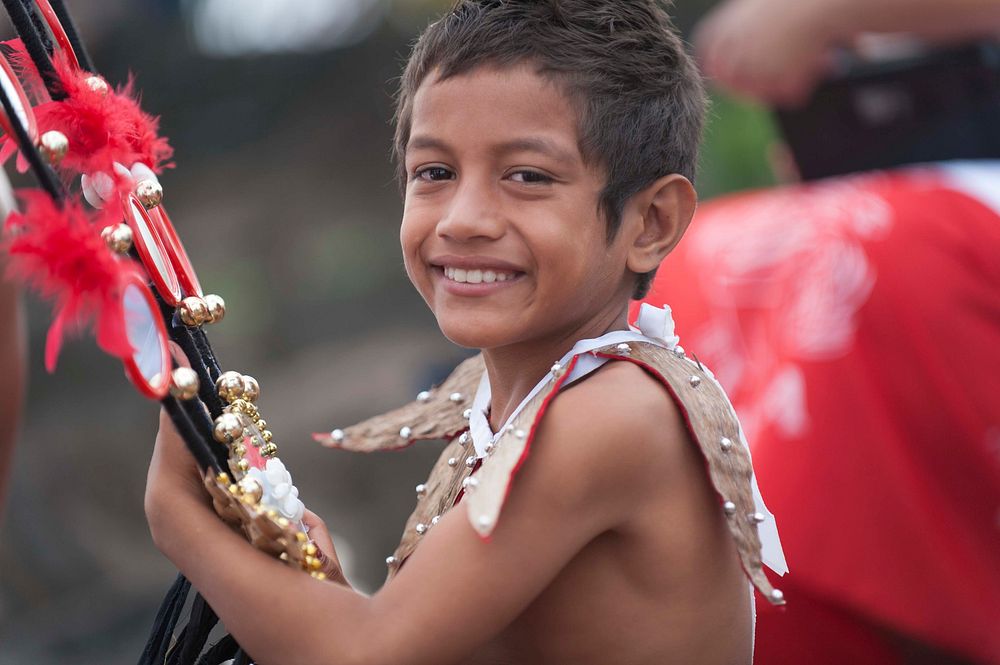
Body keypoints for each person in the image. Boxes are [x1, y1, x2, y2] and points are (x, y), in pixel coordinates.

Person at [144, 1, 786, 663]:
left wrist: (177, 518)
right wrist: (323, 591)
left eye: (527, 176)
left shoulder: (612, 415)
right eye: (435, 173)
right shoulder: (515, 401)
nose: (464, 218)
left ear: (650, 223)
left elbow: (364, 655)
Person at [636, 1, 1000, 663]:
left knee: (859, 253)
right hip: (891, 161)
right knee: (684, 266)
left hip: (956, 170)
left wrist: (821, 14)